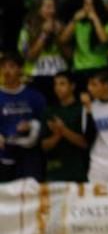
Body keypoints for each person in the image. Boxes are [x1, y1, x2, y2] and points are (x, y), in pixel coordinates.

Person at [0, 52, 45, 182]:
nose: (7, 71)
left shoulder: (35, 97)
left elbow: (45, 123)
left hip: (30, 157)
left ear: (20, 69)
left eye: (11, 66)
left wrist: (32, 125)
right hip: (4, 156)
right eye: (3, 67)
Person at [39, 71, 88, 182]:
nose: (58, 88)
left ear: (72, 86)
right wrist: (57, 135)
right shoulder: (49, 111)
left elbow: (85, 143)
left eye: (62, 84)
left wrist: (63, 130)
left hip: (79, 172)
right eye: (56, 84)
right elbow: (44, 146)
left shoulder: (82, 110)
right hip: (54, 172)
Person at [59, 0, 108, 83]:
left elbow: (104, 40)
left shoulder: (105, 22)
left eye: (91, 5)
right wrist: (74, 19)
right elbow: (63, 40)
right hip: (80, 68)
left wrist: (95, 19)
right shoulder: (77, 23)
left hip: (99, 68)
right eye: (86, 4)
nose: (88, 8)